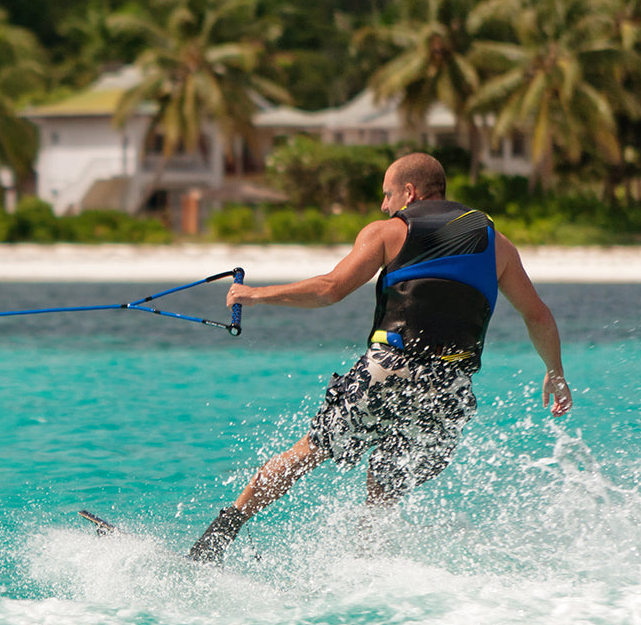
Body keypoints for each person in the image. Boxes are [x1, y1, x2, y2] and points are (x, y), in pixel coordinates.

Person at [188, 152, 573, 563]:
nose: (384, 205)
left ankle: (215, 540)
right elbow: (538, 314)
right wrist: (555, 371)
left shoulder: (390, 230)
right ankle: (368, 565)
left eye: (387, 195)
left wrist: (255, 295)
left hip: (391, 368)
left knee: (308, 452)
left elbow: (331, 288)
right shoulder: (497, 244)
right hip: (450, 388)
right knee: (387, 477)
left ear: (409, 192)